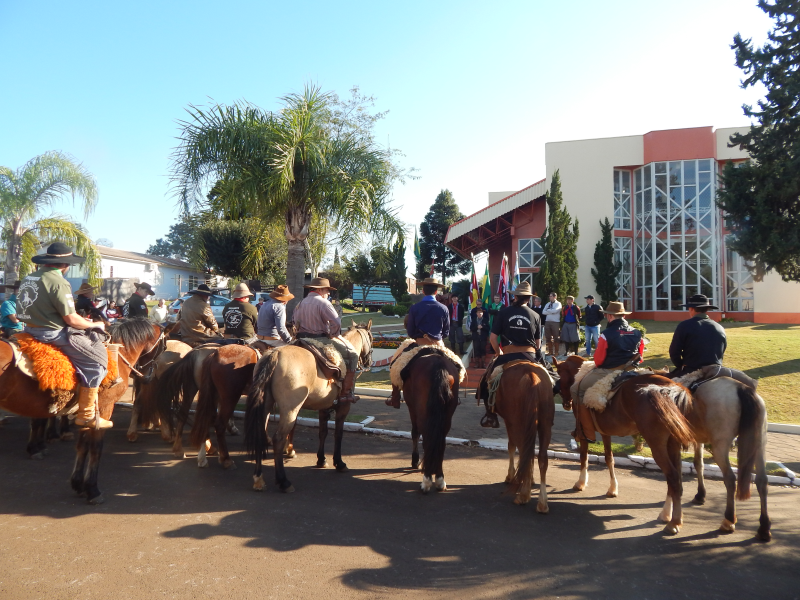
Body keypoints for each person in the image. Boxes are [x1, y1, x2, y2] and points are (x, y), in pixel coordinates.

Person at [15, 243, 112, 429]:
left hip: (27, 329)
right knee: (96, 362)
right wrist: (96, 324)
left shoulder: (30, 277)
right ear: (66, 265)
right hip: (51, 333)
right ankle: (86, 414)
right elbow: (72, 320)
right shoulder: (58, 281)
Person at [571, 301, 644, 443]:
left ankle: (587, 433)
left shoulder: (606, 334)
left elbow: (598, 361)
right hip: (632, 371)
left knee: (576, 389)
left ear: (610, 317)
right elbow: (640, 357)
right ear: (623, 315)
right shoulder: (637, 333)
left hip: (608, 371)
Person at [479, 281, 542, 427]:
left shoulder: (504, 312)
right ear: (528, 298)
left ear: (514, 297)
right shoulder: (535, 315)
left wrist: (498, 352)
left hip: (508, 356)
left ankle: (490, 414)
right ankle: (548, 413)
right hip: (530, 356)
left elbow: (493, 338)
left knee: (486, 382)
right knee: (553, 380)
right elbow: (538, 345)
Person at [293, 277, 360, 404]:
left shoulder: (300, 303)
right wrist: (333, 334)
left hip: (301, 339)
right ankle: (346, 393)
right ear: (321, 289)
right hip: (320, 339)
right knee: (353, 355)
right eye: (327, 290)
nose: (328, 293)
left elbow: (294, 322)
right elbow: (336, 322)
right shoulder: (324, 303)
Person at [386, 277, 449, 408]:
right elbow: (446, 332)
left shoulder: (415, 308)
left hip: (419, 344)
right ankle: (455, 396)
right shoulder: (444, 308)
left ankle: (395, 397)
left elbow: (410, 331)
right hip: (438, 345)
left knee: (396, 366)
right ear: (436, 292)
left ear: (423, 291)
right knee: (458, 367)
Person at [668, 294, 727, 377]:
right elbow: (722, 350)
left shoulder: (684, 325)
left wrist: (681, 367)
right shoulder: (720, 327)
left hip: (692, 370)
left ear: (691, 309)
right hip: (716, 371)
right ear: (707, 309)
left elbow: (674, 352)